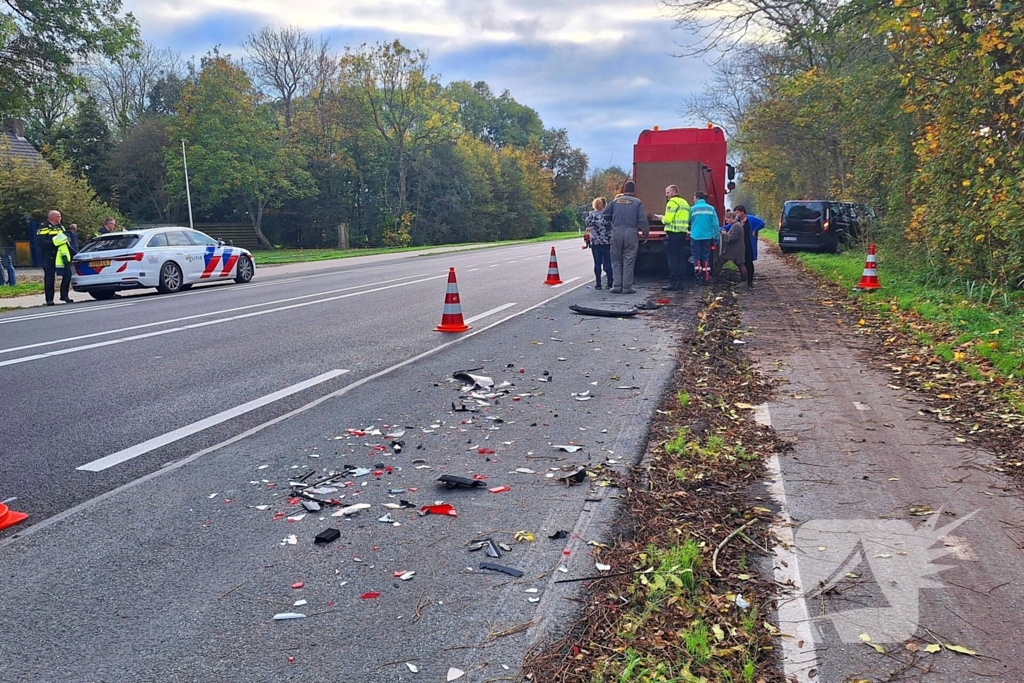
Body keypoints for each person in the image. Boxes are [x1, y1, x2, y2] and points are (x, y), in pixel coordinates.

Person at [602, 180, 648, 294]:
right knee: (629, 260)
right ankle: (627, 287)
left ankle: (617, 286)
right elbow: (642, 219)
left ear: (623, 190)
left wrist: (610, 227)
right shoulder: (637, 202)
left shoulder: (615, 201)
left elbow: (604, 214)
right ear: (634, 190)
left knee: (616, 260)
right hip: (631, 232)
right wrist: (645, 233)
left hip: (616, 232)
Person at [653, 185, 690, 291]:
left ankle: (673, 283)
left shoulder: (672, 203)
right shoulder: (685, 203)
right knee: (681, 258)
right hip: (682, 233)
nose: (666, 195)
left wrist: (661, 218)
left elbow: (668, 220)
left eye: (668, 192)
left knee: (672, 259)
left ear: (674, 192)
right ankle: (681, 282)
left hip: (673, 233)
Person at [36, 210, 74, 305]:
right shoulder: (44, 226)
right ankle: (49, 299)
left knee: (67, 274)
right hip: (49, 256)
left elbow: (65, 240)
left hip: (62, 255)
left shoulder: (60, 227)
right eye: (59, 216)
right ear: (55, 217)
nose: (61, 218)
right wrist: (55, 244)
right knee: (50, 277)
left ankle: (64, 295)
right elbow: (42, 243)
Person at [688, 192, 719, 285]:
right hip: (707, 237)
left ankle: (698, 277)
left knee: (696, 256)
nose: (693, 200)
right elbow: (716, 224)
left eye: (694, 198)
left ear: (697, 198)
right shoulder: (711, 209)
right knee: (706, 256)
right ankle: (706, 277)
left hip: (695, 236)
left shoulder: (692, 209)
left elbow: (688, 221)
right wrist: (716, 236)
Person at [585, 197, 613, 290]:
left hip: (595, 242)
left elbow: (587, 224)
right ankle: (610, 282)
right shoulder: (607, 215)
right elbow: (611, 226)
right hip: (606, 241)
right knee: (608, 262)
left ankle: (598, 284)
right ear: (604, 205)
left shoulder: (591, 215)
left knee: (597, 263)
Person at [733, 205, 764, 289]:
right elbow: (731, 227)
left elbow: (762, 223)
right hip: (740, 245)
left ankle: (750, 280)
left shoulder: (751, 219)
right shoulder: (737, 221)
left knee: (749, 262)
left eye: (737, 212)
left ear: (742, 212)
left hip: (749, 243)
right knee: (740, 261)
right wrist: (722, 228)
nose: (736, 214)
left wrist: (755, 230)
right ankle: (744, 279)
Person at [712, 214, 748, 284]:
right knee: (739, 264)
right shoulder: (736, 225)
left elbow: (732, 238)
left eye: (727, 219)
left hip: (734, 250)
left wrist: (725, 234)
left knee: (739, 264)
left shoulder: (736, 226)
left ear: (731, 218)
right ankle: (744, 281)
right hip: (735, 249)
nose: (726, 221)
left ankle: (713, 277)